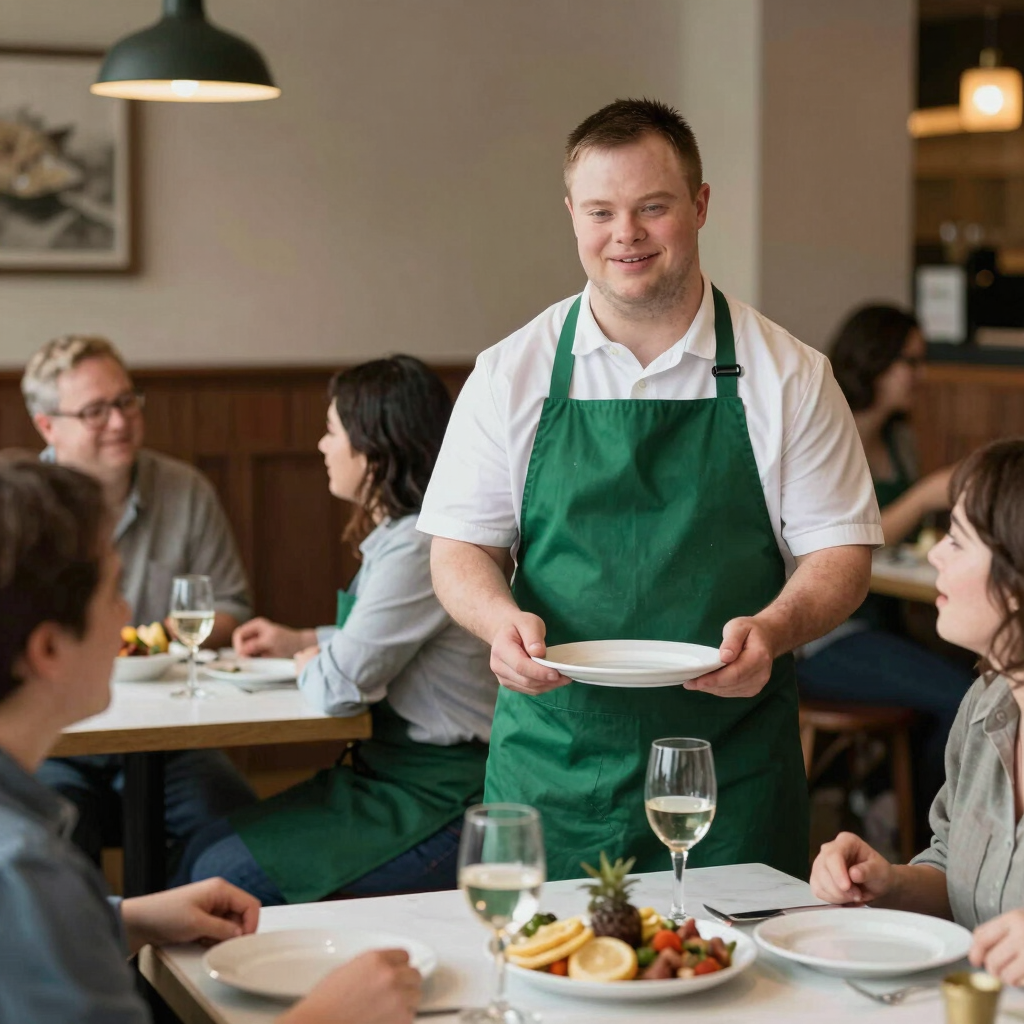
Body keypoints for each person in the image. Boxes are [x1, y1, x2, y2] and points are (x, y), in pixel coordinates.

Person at [417, 97, 882, 881]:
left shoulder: (791, 375)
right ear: (571, 215)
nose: (624, 234)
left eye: (651, 208)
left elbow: (840, 554)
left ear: (699, 207)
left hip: (729, 769)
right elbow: (461, 547)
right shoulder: (510, 374)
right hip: (555, 766)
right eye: (601, 211)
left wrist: (772, 629)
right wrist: (499, 622)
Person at [0, 457, 422, 1023]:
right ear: (47, 651)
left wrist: (129, 918)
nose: (128, 616)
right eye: (111, 594)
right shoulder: (25, 868)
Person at [186, 356, 496, 905]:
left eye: (332, 431)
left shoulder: (418, 547)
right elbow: (396, 646)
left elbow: (338, 688)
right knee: (200, 847)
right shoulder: (405, 536)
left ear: (374, 446)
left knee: (211, 871)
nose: (322, 446)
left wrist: (311, 662)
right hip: (392, 779)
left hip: (443, 798)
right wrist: (304, 640)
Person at [19, 334, 256, 867]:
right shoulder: (20, 510)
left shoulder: (185, 489)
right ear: (48, 427)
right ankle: (103, 947)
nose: (121, 422)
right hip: (57, 735)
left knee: (234, 831)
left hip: (170, 734)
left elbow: (233, 606)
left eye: (126, 401)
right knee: (53, 842)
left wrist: (153, 645)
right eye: (96, 411)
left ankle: (171, 948)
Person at [810, 438, 1024, 988]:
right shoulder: (984, 704)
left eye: (956, 540)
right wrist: (889, 883)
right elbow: (958, 870)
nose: (933, 555)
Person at [798, 306, 973, 820]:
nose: (920, 376)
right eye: (910, 362)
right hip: (827, 634)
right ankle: (924, 834)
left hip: (888, 619)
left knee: (984, 678)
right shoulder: (827, 431)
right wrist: (923, 496)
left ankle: (878, 794)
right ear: (874, 362)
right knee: (963, 696)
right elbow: (836, 544)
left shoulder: (898, 439)